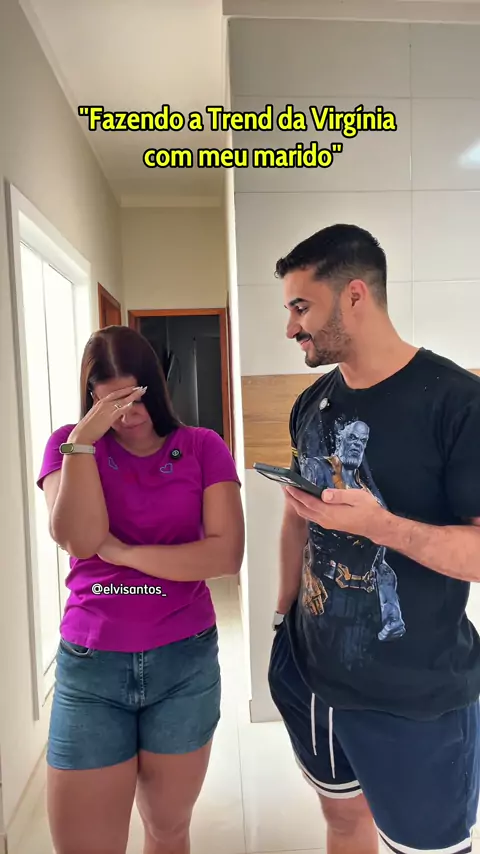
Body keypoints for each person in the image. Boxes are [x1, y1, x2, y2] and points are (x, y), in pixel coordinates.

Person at [268, 223, 480, 854]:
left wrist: (381, 527)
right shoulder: (312, 403)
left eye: (301, 307)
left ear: (354, 295)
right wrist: (282, 620)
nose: (290, 328)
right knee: (342, 823)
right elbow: (298, 519)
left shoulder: (458, 403)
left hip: (416, 698)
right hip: (312, 676)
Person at [37, 325, 244, 854]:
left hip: (183, 663)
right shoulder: (68, 446)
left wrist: (125, 554)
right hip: (92, 665)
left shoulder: (202, 446)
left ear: (156, 386)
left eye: (135, 398)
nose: (127, 415)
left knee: (167, 829)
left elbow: (224, 556)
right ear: (91, 401)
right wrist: (83, 442)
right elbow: (79, 540)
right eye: (110, 403)